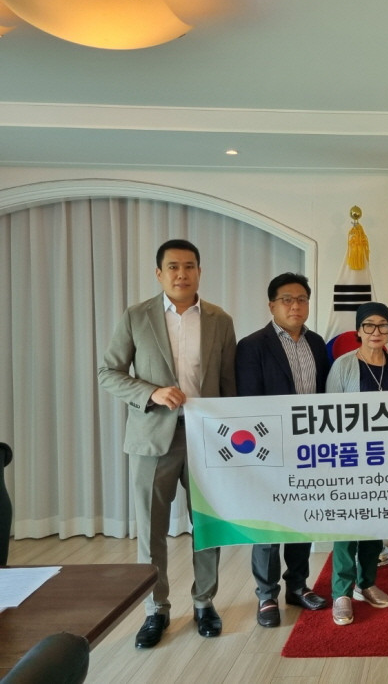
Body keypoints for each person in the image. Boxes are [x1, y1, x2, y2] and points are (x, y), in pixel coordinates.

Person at [98, 239, 236, 648]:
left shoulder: (220, 320)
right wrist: (152, 393)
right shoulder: (136, 316)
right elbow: (109, 373)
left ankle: (204, 602)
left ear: (199, 272)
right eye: (173, 266)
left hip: (205, 439)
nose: (181, 274)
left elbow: (229, 384)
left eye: (189, 266)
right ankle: (155, 609)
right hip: (151, 438)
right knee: (151, 530)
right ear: (159, 274)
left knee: (208, 527)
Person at [236, 273, 332, 628]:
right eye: (287, 300)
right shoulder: (252, 345)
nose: (295, 306)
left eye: (302, 299)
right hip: (269, 450)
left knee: (300, 520)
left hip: (308, 450)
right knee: (268, 524)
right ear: (271, 305)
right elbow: (248, 402)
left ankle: (298, 586)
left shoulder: (317, 343)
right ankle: (266, 595)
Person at [324, 301, 388, 625]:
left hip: (386, 459)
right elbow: (329, 417)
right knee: (347, 526)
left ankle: (366, 583)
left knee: (375, 523)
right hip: (350, 459)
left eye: (382, 325)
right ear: (358, 330)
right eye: (368, 325)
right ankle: (341, 593)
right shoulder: (343, 366)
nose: (376, 331)